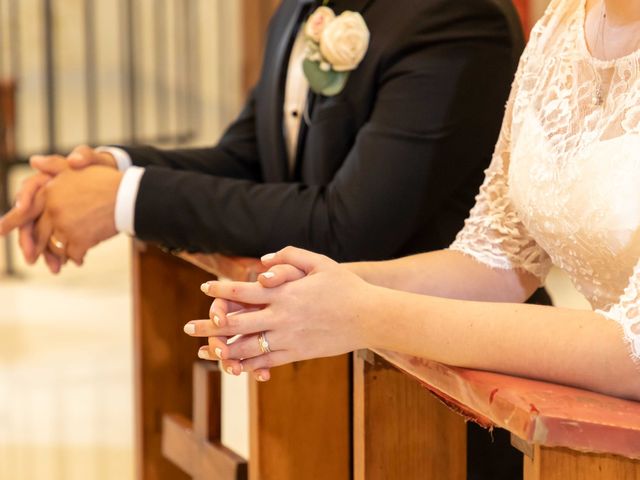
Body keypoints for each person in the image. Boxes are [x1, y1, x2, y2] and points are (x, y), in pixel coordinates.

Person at [185, 0, 640, 407]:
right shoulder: (559, 26)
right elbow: (496, 260)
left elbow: (632, 351)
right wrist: (313, 292)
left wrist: (364, 314)